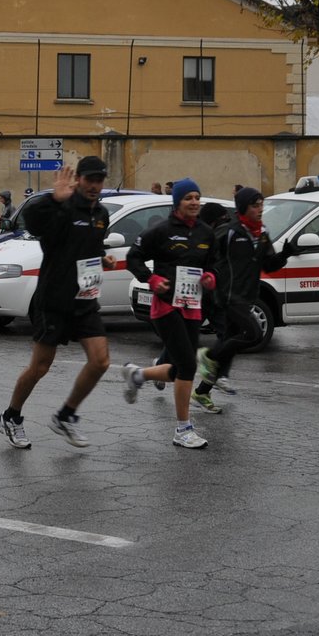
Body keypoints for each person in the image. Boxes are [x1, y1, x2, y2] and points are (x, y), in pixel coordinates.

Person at [0, 157, 115, 450]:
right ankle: (11, 416)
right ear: (79, 180)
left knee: (100, 361)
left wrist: (102, 258)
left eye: (99, 180)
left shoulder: (101, 214)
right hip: (54, 300)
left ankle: (66, 415)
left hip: (85, 299)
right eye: (90, 180)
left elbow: (88, 247)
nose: (95, 186)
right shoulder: (61, 206)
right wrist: (53, 198)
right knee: (40, 366)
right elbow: (34, 224)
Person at [119, 177, 218, 449]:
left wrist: (210, 277)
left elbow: (214, 265)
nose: (194, 202)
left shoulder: (206, 233)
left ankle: (138, 375)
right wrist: (151, 280)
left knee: (178, 371)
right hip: (165, 307)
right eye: (189, 198)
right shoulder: (160, 231)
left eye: (197, 197)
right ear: (178, 202)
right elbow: (133, 257)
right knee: (188, 366)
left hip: (192, 307)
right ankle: (183, 429)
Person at [194, 186, 292, 409]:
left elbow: (269, 265)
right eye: (255, 206)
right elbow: (205, 252)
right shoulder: (229, 231)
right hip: (227, 295)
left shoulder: (261, 234)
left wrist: (286, 254)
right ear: (243, 208)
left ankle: (202, 392)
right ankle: (207, 355)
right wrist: (207, 276)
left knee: (228, 343)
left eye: (261, 205)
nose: (260, 209)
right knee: (254, 334)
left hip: (248, 295)